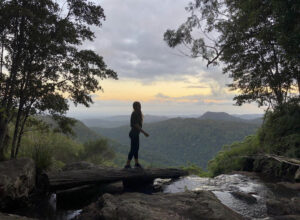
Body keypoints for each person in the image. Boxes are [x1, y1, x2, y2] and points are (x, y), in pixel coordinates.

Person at [124, 101, 149, 169]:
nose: (139, 107)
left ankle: (136, 163)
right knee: (133, 149)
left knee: (136, 149)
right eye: (138, 105)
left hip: (135, 134)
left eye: (140, 105)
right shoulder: (134, 113)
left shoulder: (137, 113)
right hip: (134, 134)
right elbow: (136, 125)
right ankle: (127, 164)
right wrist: (144, 133)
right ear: (135, 107)